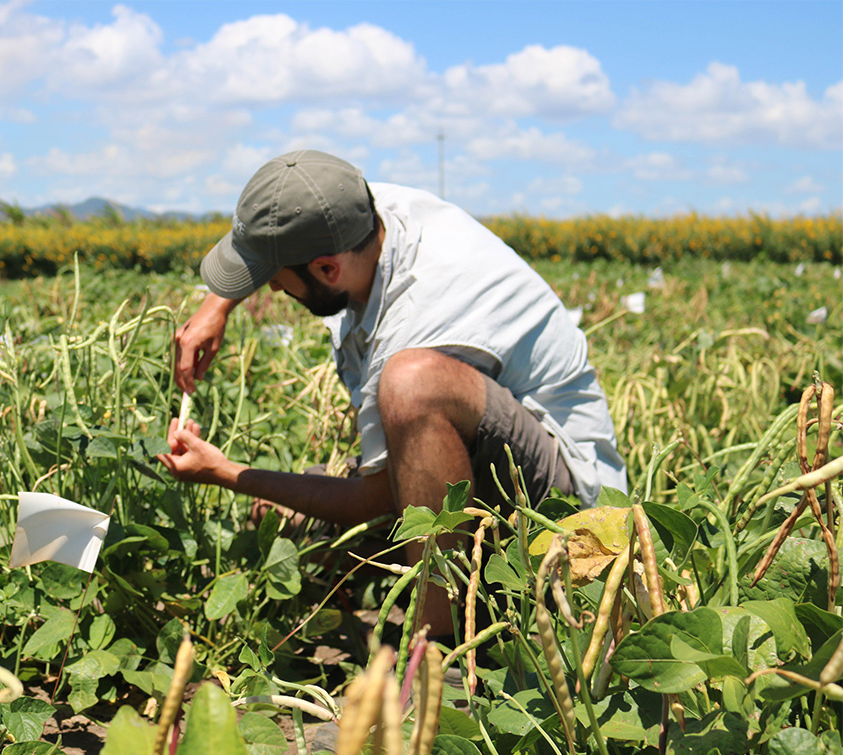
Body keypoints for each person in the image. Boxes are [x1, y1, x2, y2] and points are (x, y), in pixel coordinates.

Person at [157, 150, 627, 635]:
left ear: (326, 270)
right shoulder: (362, 208)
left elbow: (373, 499)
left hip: (569, 513)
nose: (271, 290)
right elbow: (287, 220)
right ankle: (463, 588)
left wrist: (227, 472)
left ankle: (441, 648)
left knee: (412, 384)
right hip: (484, 469)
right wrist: (218, 307)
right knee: (277, 518)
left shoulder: (417, 319)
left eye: (273, 277)